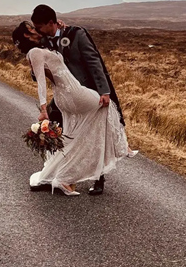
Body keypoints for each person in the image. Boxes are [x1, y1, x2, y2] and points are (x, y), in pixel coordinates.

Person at [12, 21, 136, 196]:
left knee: (76, 134)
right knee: (103, 112)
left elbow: (93, 61)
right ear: (27, 35)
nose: (36, 28)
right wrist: (43, 109)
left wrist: (62, 29)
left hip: (75, 92)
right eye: (32, 28)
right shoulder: (37, 49)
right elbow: (40, 80)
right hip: (71, 94)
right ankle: (117, 150)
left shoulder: (66, 36)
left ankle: (72, 176)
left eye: (36, 25)